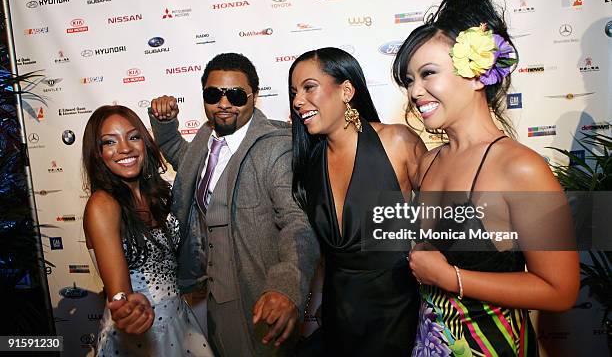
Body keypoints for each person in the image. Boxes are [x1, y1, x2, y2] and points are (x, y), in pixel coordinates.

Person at [393, 0, 580, 356]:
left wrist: (452, 278)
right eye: (409, 80)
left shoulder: (520, 168)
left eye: (427, 74)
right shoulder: (428, 164)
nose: (415, 91)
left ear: (478, 75)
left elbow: (561, 290)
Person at [143, 52, 319, 356]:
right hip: (215, 298)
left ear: (254, 97)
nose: (224, 104)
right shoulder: (206, 138)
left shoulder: (275, 148)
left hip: (259, 297)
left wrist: (285, 287)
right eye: (214, 94)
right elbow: (184, 163)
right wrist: (165, 124)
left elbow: (297, 222)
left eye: (236, 95)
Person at [288, 47, 427, 355]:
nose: (298, 101)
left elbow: (443, 222)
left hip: (399, 315)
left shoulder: (397, 142)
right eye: (294, 92)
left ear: (346, 90)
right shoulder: (310, 163)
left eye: (309, 87)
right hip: (340, 318)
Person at [82, 105, 213, 356]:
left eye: (133, 137)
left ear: (145, 142)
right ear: (97, 154)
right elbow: (119, 294)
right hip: (140, 335)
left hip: (180, 320)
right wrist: (127, 307)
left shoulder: (158, 195)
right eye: (110, 142)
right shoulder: (103, 204)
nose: (125, 148)